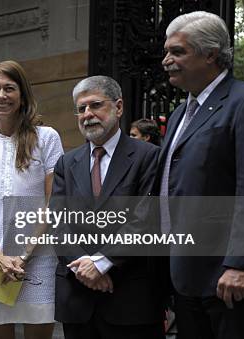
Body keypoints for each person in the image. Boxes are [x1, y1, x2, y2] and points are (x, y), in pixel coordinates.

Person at [158, 11, 244, 339]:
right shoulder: (177, 116)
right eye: (166, 52)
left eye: (177, 52)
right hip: (184, 274)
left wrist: (240, 263)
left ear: (211, 54)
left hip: (227, 278)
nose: (166, 60)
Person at [52, 75, 165, 339]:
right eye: (81, 109)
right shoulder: (66, 164)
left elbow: (146, 217)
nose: (87, 114)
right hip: (77, 300)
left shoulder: (148, 157)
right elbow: (58, 222)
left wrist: (103, 262)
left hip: (130, 297)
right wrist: (85, 270)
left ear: (119, 107)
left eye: (95, 105)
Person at [0, 60, 63, 339]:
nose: (1, 95)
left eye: (9, 88)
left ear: (23, 95)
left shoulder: (47, 138)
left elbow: (52, 201)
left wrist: (22, 257)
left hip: (38, 257)